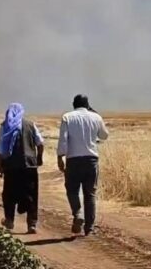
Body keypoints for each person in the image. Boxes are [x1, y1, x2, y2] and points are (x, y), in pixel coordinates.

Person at [57, 94, 109, 236]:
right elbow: (104, 135)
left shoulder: (67, 117)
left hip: (73, 160)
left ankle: (78, 213)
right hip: (91, 160)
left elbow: (63, 140)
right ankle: (89, 228)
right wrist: (95, 113)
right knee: (90, 194)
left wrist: (60, 157)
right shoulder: (95, 117)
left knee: (72, 190)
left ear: (73, 104)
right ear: (87, 105)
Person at [0, 103, 44, 234]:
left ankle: (9, 220)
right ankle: (32, 224)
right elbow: (40, 143)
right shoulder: (30, 124)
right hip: (29, 165)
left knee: (9, 194)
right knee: (31, 194)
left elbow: (0, 147)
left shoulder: (5, 126)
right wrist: (39, 158)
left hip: (11, 166)